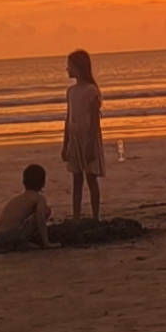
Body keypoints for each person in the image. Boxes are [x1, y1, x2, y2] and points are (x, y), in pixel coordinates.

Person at [62, 48, 104, 220]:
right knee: (76, 179)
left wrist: (90, 145)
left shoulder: (91, 91)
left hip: (87, 138)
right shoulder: (71, 92)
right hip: (74, 138)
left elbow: (94, 120)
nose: (67, 69)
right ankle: (76, 216)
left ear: (78, 67)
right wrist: (65, 144)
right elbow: (68, 119)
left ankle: (95, 216)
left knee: (91, 178)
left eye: (69, 65)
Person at [0, 164, 55, 249]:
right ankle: (22, 242)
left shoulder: (20, 198)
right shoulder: (39, 198)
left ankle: (19, 242)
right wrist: (46, 242)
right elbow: (40, 217)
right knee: (46, 210)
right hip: (11, 234)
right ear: (43, 182)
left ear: (24, 182)